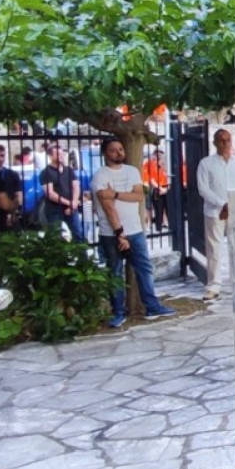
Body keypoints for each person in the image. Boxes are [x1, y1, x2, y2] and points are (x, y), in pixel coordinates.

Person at [91, 137, 176, 327]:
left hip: (135, 230)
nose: (119, 152)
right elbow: (108, 207)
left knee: (144, 269)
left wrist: (116, 194)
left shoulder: (132, 171)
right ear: (105, 153)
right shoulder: (100, 176)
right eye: (114, 150)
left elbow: (139, 195)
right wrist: (119, 233)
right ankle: (118, 312)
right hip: (111, 233)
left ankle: (152, 306)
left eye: (121, 149)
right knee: (115, 272)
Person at [196, 129, 235, 299]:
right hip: (214, 211)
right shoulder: (206, 163)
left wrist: (234, 204)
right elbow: (203, 188)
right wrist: (221, 203)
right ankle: (214, 285)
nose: (225, 144)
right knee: (214, 248)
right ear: (215, 142)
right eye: (221, 140)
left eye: (228, 140)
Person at [39, 143, 82, 240]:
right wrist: (69, 203)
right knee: (55, 236)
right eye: (58, 154)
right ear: (50, 156)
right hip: (54, 209)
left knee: (78, 234)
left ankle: (81, 255)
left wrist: (73, 203)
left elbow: (76, 186)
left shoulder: (69, 170)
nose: (61, 156)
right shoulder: (46, 172)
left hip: (71, 207)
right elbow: (50, 194)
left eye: (62, 154)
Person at [142, 149, 171, 232]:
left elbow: (170, 177)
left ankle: (167, 223)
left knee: (167, 207)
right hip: (154, 188)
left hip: (165, 188)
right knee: (154, 208)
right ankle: (154, 226)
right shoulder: (150, 163)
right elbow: (150, 179)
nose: (159, 155)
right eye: (157, 153)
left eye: (161, 153)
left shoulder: (166, 164)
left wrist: (166, 188)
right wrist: (159, 188)